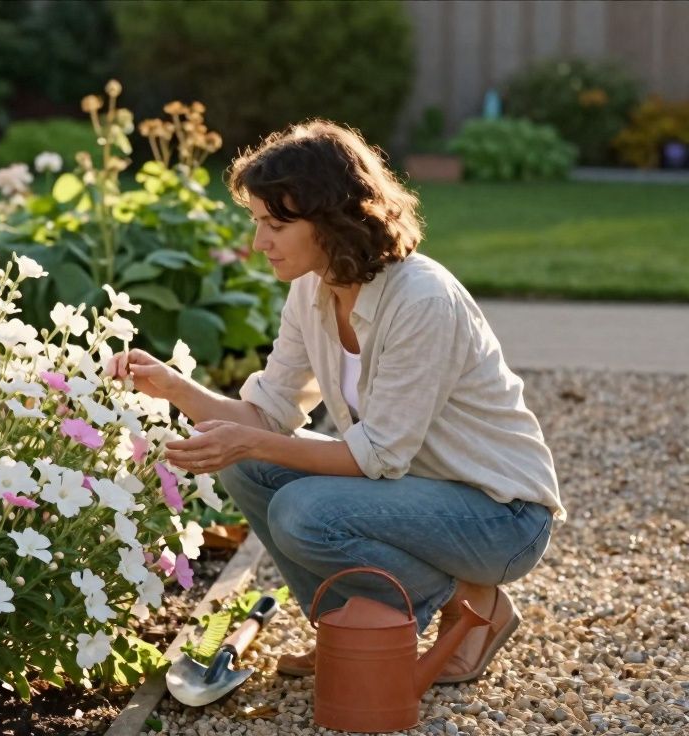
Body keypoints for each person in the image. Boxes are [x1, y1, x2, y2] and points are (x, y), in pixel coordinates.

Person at [108, 120, 563, 684]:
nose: (259, 242)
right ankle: (352, 627)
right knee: (250, 464)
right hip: (412, 496)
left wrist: (251, 439)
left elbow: (379, 456)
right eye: (257, 222)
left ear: (331, 220)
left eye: (275, 224)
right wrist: (174, 387)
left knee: (304, 512)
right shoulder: (313, 289)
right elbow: (269, 413)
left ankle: (475, 606)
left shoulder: (421, 299)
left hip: (500, 517)